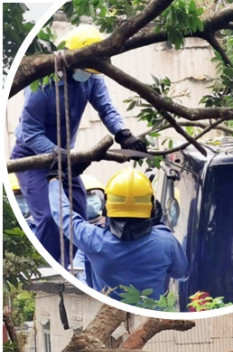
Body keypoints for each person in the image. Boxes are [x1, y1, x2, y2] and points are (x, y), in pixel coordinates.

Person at [10, 24, 146, 267]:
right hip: (32, 157)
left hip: (64, 157)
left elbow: (105, 107)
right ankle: (47, 268)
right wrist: (59, 156)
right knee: (51, 219)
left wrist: (123, 134)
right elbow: (30, 131)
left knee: (79, 216)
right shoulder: (42, 83)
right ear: (70, 60)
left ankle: (66, 265)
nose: (89, 72)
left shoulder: (92, 76)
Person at [48, 168, 189, 301]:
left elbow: (63, 215)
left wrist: (54, 181)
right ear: (152, 207)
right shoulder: (166, 242)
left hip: (105, 314)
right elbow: (180, 272)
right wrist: (159, 226)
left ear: (106, 206)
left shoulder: (93, 239)